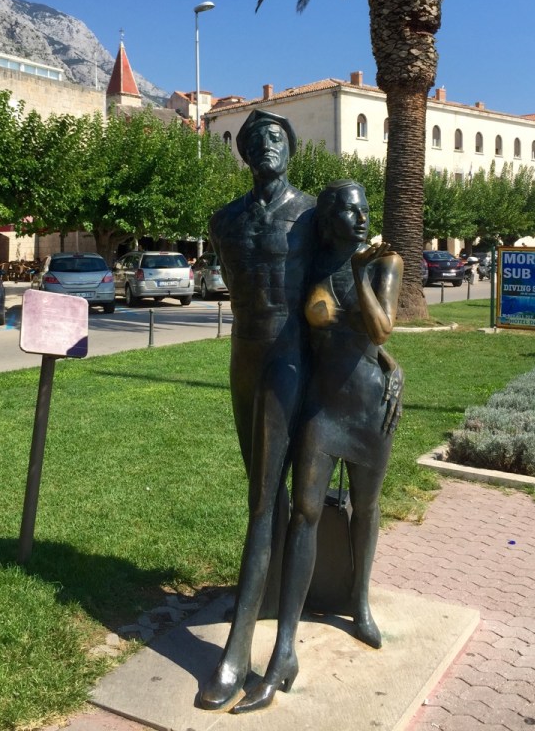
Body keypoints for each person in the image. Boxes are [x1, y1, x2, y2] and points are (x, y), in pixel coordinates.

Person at [232, 179, 404, 714]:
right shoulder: (312, 266)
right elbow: (298, 331)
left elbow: (381, 330)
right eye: (350, 212)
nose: (361, 219)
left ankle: (359, 601)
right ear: (329, 219)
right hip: (320, 407)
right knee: (304, 513)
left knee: (366, 507)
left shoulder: (385, 263)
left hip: (369, 406)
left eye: (365, 210)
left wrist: (391, 361)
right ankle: (285, 649)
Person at [198, 109, 315, 711]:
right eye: (257, 139)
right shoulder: (224, 221)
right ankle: (272, 619)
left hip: (293, 358)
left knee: (266, 502)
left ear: (291, 149)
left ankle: (240, 651)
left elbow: (341, 292)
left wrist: (383, 361)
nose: (268, 145)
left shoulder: (313, 214)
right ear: (243, 153)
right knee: (263, 493)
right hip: (244, 357)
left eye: (277, 137)